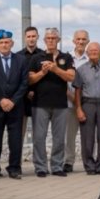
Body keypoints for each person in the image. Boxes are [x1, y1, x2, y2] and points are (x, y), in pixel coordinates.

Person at [28, 28, 75, 177]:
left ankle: (56, 166)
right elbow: (30, 79)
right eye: (48, 38)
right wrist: (42, 72)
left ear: (58, 40)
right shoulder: (36, 58)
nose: (51, 41)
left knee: (59, 138)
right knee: (39, 137)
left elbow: (71, 77)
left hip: (60, 103)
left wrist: (55, 69)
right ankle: (41, 167)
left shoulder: (65, 57)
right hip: (40, 103)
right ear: (44, 40)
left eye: (54, 38)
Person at [0, 30, 27, 180]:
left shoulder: (21, 60)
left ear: (12, 43)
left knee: (15, 140)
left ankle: (14, 168)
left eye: (7, 42)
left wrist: (13, 100)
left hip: (15, 107)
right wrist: (0, 99)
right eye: (1, 42)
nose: (4, 45)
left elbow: (24, 83)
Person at [73, 42, 100, 175]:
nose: (93, 52)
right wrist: (79, 109)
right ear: (87, 53)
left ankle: (99, 165)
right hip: (88, 104)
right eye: (91, 50)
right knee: (87, 137)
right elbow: (77, 91)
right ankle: (89, 165)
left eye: (96, 50)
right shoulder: (81, 69)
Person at [63, 29, 90, 173]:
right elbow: (63, 81)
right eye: (78, 39)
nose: (81, 42)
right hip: (69, 101)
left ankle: (89, 161)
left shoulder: (90, 58)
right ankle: (68, 161)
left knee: (88, 135)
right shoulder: (67, 58)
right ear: (73, 41)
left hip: (87, 103)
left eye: (83, 39)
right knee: (69, 135)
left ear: (88, 41)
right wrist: (72, 98)